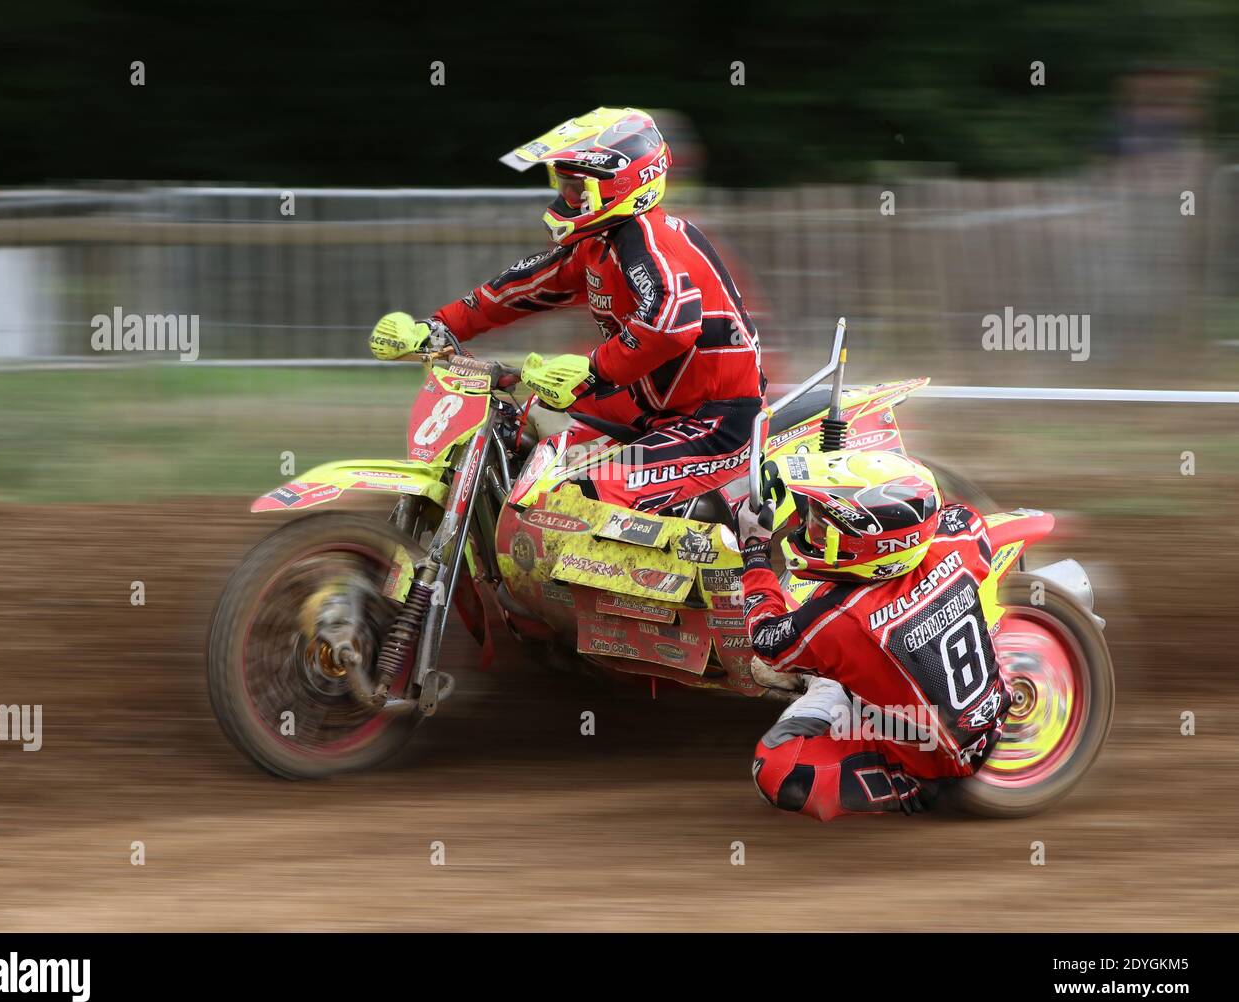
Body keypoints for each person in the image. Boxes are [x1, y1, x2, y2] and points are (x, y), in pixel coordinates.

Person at [367, 107, 764, 514]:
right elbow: (520, 288)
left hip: (713, 420)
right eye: (564, 185)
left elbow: (671, 324)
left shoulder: (649, 239)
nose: (566, 198)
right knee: (516, 427)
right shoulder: (598, 243)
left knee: (586, 493)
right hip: (648, 405)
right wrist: (438, 327)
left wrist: (593, 369)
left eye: (577, 189)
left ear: (618, 185)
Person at [735, 450, 1010, 820]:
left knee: (776, 769)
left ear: (872, 547)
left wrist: (753, 552)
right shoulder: (961, 534)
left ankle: (906, 785)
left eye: (821, 527)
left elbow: (766, 641)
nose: (811, 532)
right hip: (990, 713)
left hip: (931, 767)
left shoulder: (842, 620)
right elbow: (961, 517)